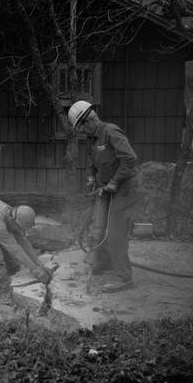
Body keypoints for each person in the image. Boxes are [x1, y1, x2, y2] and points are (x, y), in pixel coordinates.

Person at [68, 100, 138, 293]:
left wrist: (115, 181)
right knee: (98, 228)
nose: (81, 133)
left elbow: (130, 158)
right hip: (104, 191)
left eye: (81, 129)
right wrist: (91, 176)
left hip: (122, 192)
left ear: (88, 121)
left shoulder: (111, 132)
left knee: (115, 234)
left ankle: (125, 278)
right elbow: (95, 163)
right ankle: (106, 262)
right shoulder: (93, 139)